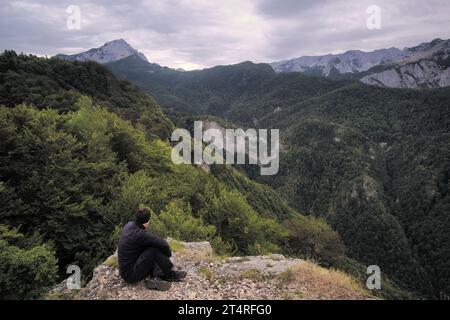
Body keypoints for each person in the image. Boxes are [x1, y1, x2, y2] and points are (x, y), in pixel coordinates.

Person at [118, 208, 186, 291]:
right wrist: (167, 256)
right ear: (147, 222)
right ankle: (169, 275)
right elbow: (164, 244)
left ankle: (157, 276)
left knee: (150, 247)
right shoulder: (141, 234)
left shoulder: (129, 225)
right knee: (154, 249)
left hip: (124, 270)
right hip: (130, 275)